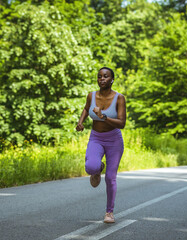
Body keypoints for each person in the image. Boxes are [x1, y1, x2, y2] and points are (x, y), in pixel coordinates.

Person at [76, 67, 126, 223]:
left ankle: (109, 212)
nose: (102, 79)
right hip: (96, 138)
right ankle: (97, 170)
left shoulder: (119, 98)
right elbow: (86, 109)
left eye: (105, 76)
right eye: (99, 76)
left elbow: (122, 123)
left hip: (114, 140)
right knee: (90, 167)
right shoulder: (91, 96)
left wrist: (103, 117)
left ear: (112, 79)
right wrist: (80, 122)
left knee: (111, 178)